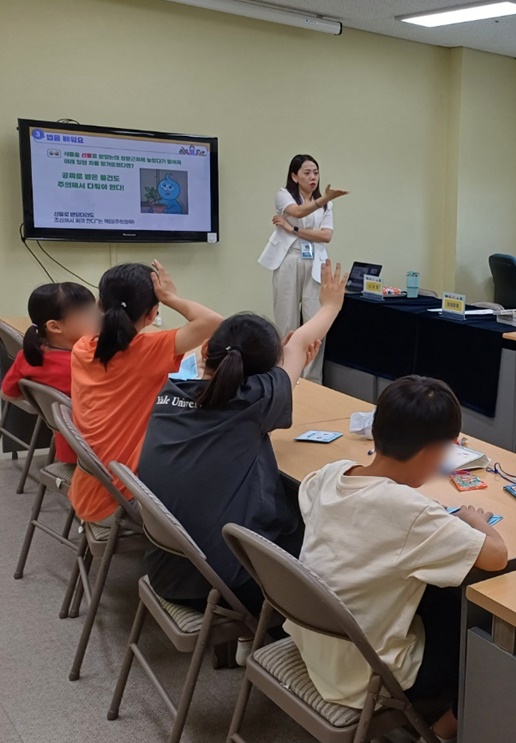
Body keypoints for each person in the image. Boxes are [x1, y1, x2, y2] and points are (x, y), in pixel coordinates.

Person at [288, 375, 507, 743]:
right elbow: (497, 557)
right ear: (433, 452)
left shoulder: (332, 474)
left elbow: (317, 502)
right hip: (364, 675)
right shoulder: (411, 513)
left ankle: (406, 732)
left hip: (315, 641)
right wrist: (475, 519)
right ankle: (440, 734)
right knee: (484, 633)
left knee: (432, 592)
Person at [138, 260, 348, 620]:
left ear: (206, 349)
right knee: (331, 529)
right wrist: (331, 305)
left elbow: (292, 350)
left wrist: (285, 364)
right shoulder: (255, 399)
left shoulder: (171, 389)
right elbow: (299, 342)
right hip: (222, 584)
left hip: (166, 569)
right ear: (267, 372)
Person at [69, 261, 222, 537]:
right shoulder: (149, 351)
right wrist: (171, 297)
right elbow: (215, 323)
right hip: (121, 502)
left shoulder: (82, 347)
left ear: (100, 304)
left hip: (89, 492)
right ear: (152, 314)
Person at [257, 154, 348, 384]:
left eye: (316, 172)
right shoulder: (284, 195)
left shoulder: (326, 204)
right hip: (289, 259)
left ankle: (312, 381)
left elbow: (326, 236)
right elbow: (297, 212)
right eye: (307, 173)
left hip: (316, 262)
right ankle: (285, 376)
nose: (312, 177)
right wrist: (323, 199)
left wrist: (293, 229)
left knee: (315, 325)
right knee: (287, 322)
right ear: (295, 176)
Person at [2, 282, 99, 466]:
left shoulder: (29, 356)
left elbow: (7, 394)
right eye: (88, 314)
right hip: (97, 453)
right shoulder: (86, 363)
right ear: (55, 326)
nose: (98, 318)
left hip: (68, 448)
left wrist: (44, 400)